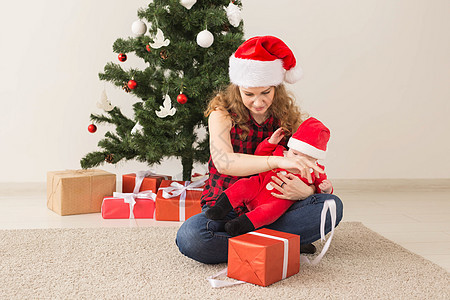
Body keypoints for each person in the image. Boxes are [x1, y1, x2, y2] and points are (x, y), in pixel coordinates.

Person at [176, 35, 343, 264]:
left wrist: (306, 192)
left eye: (266, 92)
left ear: (276, 88)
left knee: (332, 205)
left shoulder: (286, 117)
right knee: (191, 237)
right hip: (229, 205)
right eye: (249, 94)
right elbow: (224, 162)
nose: (258, 102)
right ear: (237, 89)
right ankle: (280, 240)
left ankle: (253, 241)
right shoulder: (221, 114)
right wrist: (276, 162)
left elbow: (306, 167)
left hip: (273, 204)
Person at [205, 117, 334, 236]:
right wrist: (270, 143)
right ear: (290, 147)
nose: (298, 160)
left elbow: (321, 189)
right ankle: (220, 208)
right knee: (242, 185)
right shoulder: (279, 152)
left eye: (307, 159)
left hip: (278, 200)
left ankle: (240, 226)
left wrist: (325, 189)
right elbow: (260, 155)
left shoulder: (315, 170)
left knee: (270, 211)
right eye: (294, 154)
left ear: (316, 159)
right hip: (259, 185)